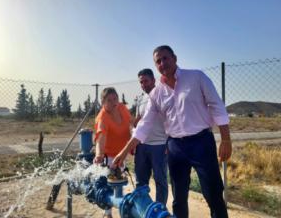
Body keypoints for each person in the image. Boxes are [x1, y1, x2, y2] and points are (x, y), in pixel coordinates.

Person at [113, 45, 232, 218]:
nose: (162, 63)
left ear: (174, 58)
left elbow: (217, 106)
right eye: (158, 61)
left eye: (165, 58)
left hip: (201, 142)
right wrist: (123, 153)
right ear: (156, 66)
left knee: (213, 194)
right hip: (176, 147)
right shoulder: (156, 94)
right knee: (179, 198)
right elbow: (144, 126)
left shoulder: (196, 77)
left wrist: (226, 139)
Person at [93, 87, 132, 218]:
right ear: (103, 102)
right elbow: (100, 138)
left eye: (115, 98)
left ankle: (120, 207)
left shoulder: (122, 108)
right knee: (109, 183)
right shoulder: (102, 117)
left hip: (122, 153)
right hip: (109, 156)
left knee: (119, 181)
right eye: (109, 100)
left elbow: (131, 122)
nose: (113, 102)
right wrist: (99, 154)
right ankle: (108, 213)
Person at [134, 68, 168, 205]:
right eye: (141, 82)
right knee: (141, 181)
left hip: (159, 146)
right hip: (142, 146)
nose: (143, 85)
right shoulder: (141, 99)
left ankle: (160, 210)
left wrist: (169, 143)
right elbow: (137, 120)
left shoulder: (163, 95)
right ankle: (143, 209)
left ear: (153, 80)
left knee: (160, 181)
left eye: (146, 81)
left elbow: (170, 120)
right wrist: (133, 141)